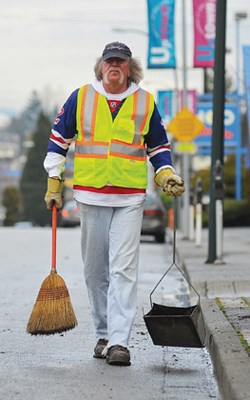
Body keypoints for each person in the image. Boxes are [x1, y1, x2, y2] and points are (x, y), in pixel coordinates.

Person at [44, 41, 185, 366]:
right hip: (90, 196)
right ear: (101, 66)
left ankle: (119, 342)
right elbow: (57, 141)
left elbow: (158, 146)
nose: (114, 67)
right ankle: (104, 333)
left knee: (124, 270)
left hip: (129, 198)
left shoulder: (144, 102)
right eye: (110, 61)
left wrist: (165, 174)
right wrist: (54, 180)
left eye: (121, 62)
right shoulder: (81, 97)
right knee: (95, 271)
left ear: (129, 67)